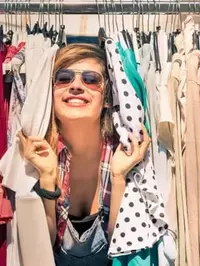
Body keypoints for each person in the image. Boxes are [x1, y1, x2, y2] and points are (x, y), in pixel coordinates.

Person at [17, 44, 151, 265]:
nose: (76, 86)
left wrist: (117, 179)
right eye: (64, 78)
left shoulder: (122, 153)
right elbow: (41, 248)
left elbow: (121, 248)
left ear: (107, 98)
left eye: (90, 79)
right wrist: (48, 179)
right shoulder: (38, 154)